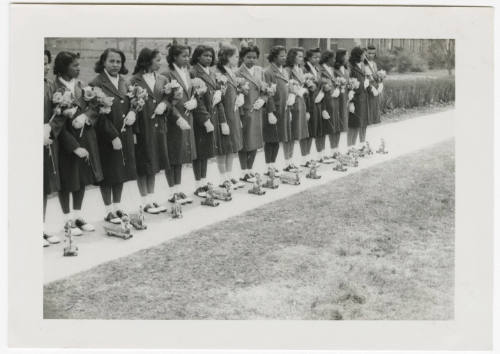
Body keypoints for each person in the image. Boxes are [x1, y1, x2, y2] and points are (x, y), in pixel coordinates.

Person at [55, 51, 103, 235]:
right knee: (68, 180)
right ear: (63, 68)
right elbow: (57, 124)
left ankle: (77, 216)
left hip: (85, 138)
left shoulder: (80, 86)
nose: (78, 68)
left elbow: (93, 107)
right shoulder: (56, 89)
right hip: (67, 143)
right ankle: (67, 220)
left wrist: (86, 116)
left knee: (81, 179)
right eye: (74, 65)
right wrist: (74, 146)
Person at [91, 48, 139, 222]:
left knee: (120, 172)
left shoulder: (124, 82)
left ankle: (118, 207)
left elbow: (133, 102)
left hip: (125, 133)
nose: (115, 65)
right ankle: (108, 210)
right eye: (111, 61)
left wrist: (134, 111)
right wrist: (112, 136)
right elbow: (98, 114)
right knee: (109, 174)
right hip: (107, 137)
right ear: (103, 62)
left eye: (118, 61)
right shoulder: (96, 84)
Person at [129, 48, 172, 213]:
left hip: (158, 126)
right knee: (143, 163)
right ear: (147, 61)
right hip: (142, 126)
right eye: (157, 60)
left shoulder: (162, 79)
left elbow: (168, 99)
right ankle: (144, 200)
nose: (160, 63)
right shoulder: (134, 81)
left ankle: (151, 198)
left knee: (154, 162)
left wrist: (164, 105)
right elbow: (131, 103)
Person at [163, 43, 197, 203]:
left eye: (188, 55)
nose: (187, 58)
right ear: (174, 57)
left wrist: (194, 101)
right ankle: (171, 191)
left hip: (187, 116)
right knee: (173, 155)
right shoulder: (167, 75)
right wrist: (177, 116)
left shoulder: (187, 73)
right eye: (183, 55)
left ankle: (178, 188)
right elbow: (167, 101)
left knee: (181, 155)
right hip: (174, 119)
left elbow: (191, 92)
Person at [189, 45, 222, 197]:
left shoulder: (212, 72)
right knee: (200, 152)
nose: (208, 58)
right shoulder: (194, 72)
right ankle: (198, 184)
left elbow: (214, 89)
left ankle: (204, 181)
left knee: (207, 151)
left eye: (210, 56)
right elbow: (196, 98)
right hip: (201, 117)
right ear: (197, 57)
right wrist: (205, 119)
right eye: (205, 56)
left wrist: (219, 92)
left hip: (211, 112)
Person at [214, 44, 245, 190]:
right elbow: (219, 99)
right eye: (236, 56)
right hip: (225, 115)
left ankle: (229, 175)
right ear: (227, 57)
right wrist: (222, 121)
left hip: (233, 114)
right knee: (224, 147)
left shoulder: (231, 73)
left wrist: (240, 96)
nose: (238, 59)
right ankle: (222, 178)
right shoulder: (220, 75)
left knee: (231, 146)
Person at [236, 44, 265, 183]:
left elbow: (266, 90)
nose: (252, 60)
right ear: (242, 57)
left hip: (257, 110)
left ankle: (250, 169)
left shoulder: (260, 71)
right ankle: (243, 171)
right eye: (248, 57)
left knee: (255, 142)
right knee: (245, 141)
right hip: (245, 111)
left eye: (254, 57)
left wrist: (263, 100)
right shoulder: (237, 72)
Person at [43, 49, 62, 246]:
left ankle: (40, 227)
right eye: (41, 63)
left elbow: (57, 114)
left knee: (43, 186)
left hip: (47, 140)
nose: (46, 67)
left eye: (47, 62)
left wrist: (49, 129)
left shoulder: (50, 85)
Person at [263, 45, 291, 175]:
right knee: (271, 140)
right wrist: (270, 112)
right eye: (281, 55)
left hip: (283, 109)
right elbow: (268, 93)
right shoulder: (268, 72)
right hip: (274, 110)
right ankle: (269, 166)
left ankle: (273, 165)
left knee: (278, 138)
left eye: (285, 55)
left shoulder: (284, 71)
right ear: (274, 57)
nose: (284, 58)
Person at [284, 47, 309, 172]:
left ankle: (291, 160)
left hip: (300, 102)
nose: (301, 58)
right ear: (292, 57)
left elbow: (303, 85)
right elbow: (286, 85)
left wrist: (304, 89)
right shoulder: (288, 70)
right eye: (299, 56)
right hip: (292, 102)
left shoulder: (301, 69)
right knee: (290, 132)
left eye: (302, 56)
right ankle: (286, 161)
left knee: (296, 133)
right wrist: (296, 90)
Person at [319, 49, 343, 159]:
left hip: (335, 100)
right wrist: (323, 108)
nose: (334, 60)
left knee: (336, 126)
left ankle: (335, 150)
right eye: (332, 58)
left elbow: (336, 82)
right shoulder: (321, 70)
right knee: (327, 127)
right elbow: (322, 87)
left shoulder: (333, 70)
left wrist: (338, 88)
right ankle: (323, 153)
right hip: (326, 101)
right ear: (327, 59)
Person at [303, 47, 325, 165]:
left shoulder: (318, 68)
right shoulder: (304, 69)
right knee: (308, 130)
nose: (317, 59)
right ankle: (304, 157)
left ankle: (311, 156)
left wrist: (322, 92)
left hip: (318, 101)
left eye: (318, 57)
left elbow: (321, 83)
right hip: (309, 102)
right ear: (308, 57)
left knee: (315, 129)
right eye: (314, 57)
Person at [347, 46, 369, 146]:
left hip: (363, 98)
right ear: (358, 55)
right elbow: (349, 84)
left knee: (363, 123)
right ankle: (350, 146)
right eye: (363, 54)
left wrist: (367, 83)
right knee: (354, 124)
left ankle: (361, 144)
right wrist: (350, 102)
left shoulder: (362, 65)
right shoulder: (350, 66)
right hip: (355, 98)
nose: (365, 56)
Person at [333, 48, 350, 151]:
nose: (347, 58)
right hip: (337, 98)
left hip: (345, 99)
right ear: (341, 57)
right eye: (346, 55)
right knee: (337, 123)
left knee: (342, 124)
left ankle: (338, 148)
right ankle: (333, 149)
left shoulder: (346, 69)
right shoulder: (334, 70)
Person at [365, 44, 381, 130]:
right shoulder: (364, 64)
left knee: (375, 107)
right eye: (369, 53)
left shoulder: (374, 63)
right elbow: (365, 77)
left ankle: (374, 123)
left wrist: (380, 81)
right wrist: (371, 87)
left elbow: (376, 75)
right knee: (369, 108)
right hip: (368, 88)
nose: (371, 55)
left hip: (375, 86)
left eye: (373, 53)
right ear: (366, 53)